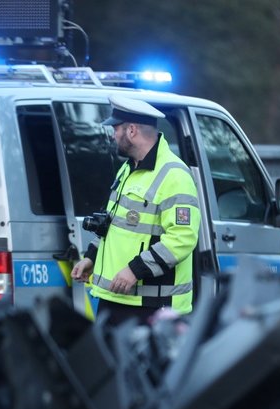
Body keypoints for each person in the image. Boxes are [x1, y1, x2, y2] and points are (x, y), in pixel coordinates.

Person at [71, 96, 200, 326]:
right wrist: (92, 257)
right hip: (116, 298)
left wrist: (135, 270)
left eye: (115, 129)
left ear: (131, 130)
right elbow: (114, 224)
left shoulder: (175, 176)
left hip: (152, 307)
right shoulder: (128, 169)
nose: (112, 135)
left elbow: (182, 238)